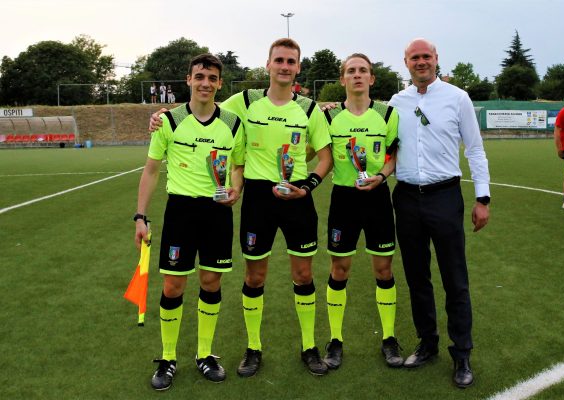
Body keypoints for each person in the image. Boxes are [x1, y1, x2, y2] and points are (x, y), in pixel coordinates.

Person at [149, 38, 333, 377]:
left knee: (304, 274)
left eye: (290, 61)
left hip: (298, 201)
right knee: (254, 275)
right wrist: (162, 114)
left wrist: (307, 187)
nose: (284, 66)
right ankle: (253, 348)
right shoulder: (245, 101)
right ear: (268, 64)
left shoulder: (309, 109)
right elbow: (206, 106)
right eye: (279, 60)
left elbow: (326, 157)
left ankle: (309, 346)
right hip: (258, 200)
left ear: (298, 68)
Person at [135, 53, 245, 390]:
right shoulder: (169, 121)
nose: (206, 83)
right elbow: (152, 170)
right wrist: (140, 216)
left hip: (217, 214)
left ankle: (205, 354)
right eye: (200, 77)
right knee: (173, 286)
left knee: (211, 282)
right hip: (180, 212)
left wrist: (236, 190)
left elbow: (238, 166)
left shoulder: (232, 123)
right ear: (189, 80)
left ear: (220, 84)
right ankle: (168, 357)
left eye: (212, 78)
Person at [388, 38, 490, 388]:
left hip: (445, 197)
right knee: (417, 277)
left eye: (426, 56)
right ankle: (427, 343)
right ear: (405, 62)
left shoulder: (457, 98)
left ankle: (462, 353)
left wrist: (483, 198)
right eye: (414, 57)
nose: (421, 62)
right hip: (406, 199)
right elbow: (388, 150)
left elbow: (475, 150)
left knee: (454, 279)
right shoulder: (395, 102)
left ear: (436, 59)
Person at [320, 53, 403, 370]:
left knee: (384, 269)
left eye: (363, 70)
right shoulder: (329, 118)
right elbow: (320, 155)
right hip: (344, 200)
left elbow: (394, 156)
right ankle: (336, 340)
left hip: (378, 197)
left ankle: (389, 338)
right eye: (351, 71)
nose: (357, 75)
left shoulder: (388, 114)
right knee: (339, 269)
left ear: (372, 78)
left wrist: (381, 176)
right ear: (342, 79)